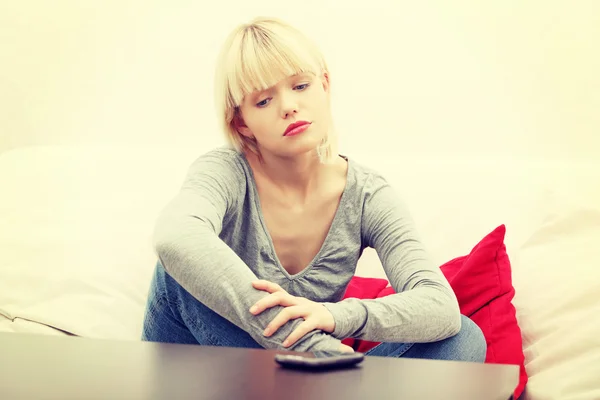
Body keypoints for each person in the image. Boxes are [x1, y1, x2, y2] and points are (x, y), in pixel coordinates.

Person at [141, 16, 486, 362]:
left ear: (324, 84)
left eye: (301, 86)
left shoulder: (368, 195)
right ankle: (330, 378)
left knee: (462, 337)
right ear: (242, 122)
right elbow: (175, 235)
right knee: (178, 270)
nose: (289, 106)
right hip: (204, 374)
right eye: (264, 101)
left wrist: (336, 317)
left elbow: (438, 305)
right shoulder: (225, 171)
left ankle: (328, 382)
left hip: (306, 376)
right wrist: (309, 346)